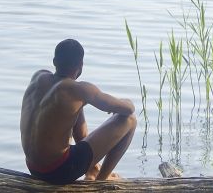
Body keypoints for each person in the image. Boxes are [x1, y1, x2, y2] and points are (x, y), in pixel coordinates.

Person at [19, 38, 137, 184]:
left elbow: (81, 135)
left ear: (54, 61)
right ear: (80, 66)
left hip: (34, 167)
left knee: (75, 106)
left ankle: (93, 171)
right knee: (130, 120)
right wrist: (127, 102)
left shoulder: (38, 77)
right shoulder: (79, 90)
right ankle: (101, 181)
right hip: (59, 171)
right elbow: (129, 109)